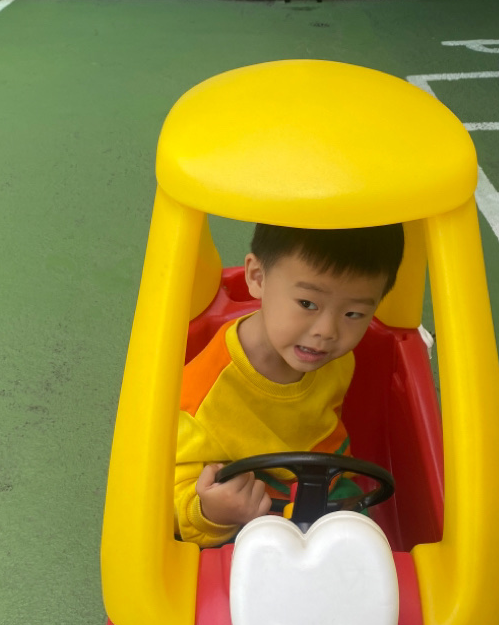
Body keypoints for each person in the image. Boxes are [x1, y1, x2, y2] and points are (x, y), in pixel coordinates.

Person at [174, 222, 405, 547]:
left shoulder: (336, 358)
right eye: (307, 304)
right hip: (250, 512)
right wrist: (211, 512)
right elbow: (164, 497)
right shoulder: (201, 399)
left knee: (366, 550)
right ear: (258, 278)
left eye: (353, 314)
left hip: (330, 485)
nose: (327, 332)